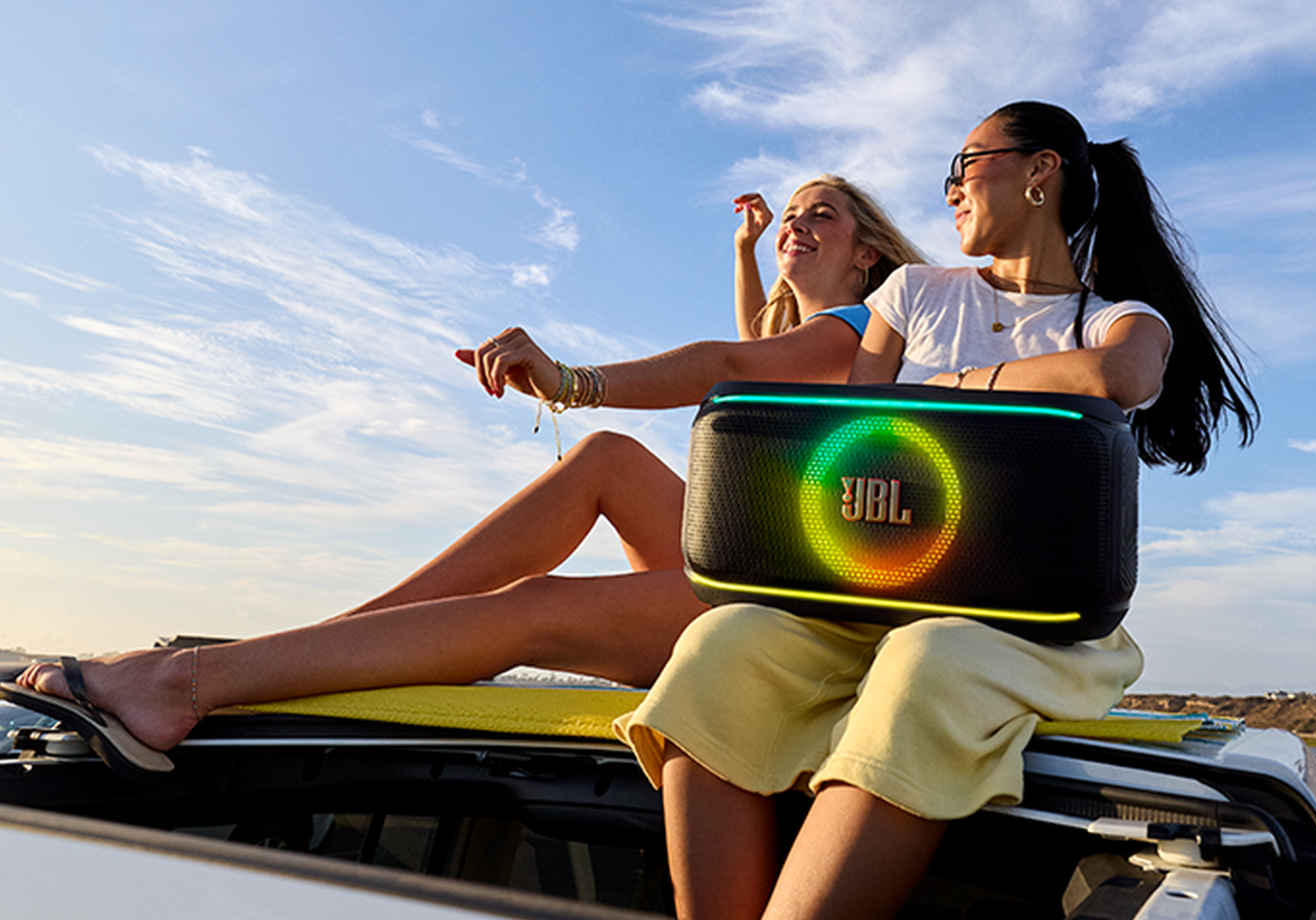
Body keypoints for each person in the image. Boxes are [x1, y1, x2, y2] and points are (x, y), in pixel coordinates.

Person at [614, 101, 1258, 920]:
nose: (951, 188)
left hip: (1035, 622)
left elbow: (1117, 376)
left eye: (965, 163)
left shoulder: (1117, 318)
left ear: (1041, 170)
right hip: (874, 595)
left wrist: (953, 387)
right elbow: (852, 439)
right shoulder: (911, 294)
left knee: (927, 661)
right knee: (718, 644)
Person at [3, 176, 925, 762]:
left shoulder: (865, 331)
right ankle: (318, 647)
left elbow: (727, 359)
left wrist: (571, 381)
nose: (797, 223)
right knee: (606, 461)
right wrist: (743, 251)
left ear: (869, 252)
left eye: (823, 214)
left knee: (537, 602)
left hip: (791, 607)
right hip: (753, 575)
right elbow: (755, 337)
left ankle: (188, 684)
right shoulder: (814, 338)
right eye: (791, 214)